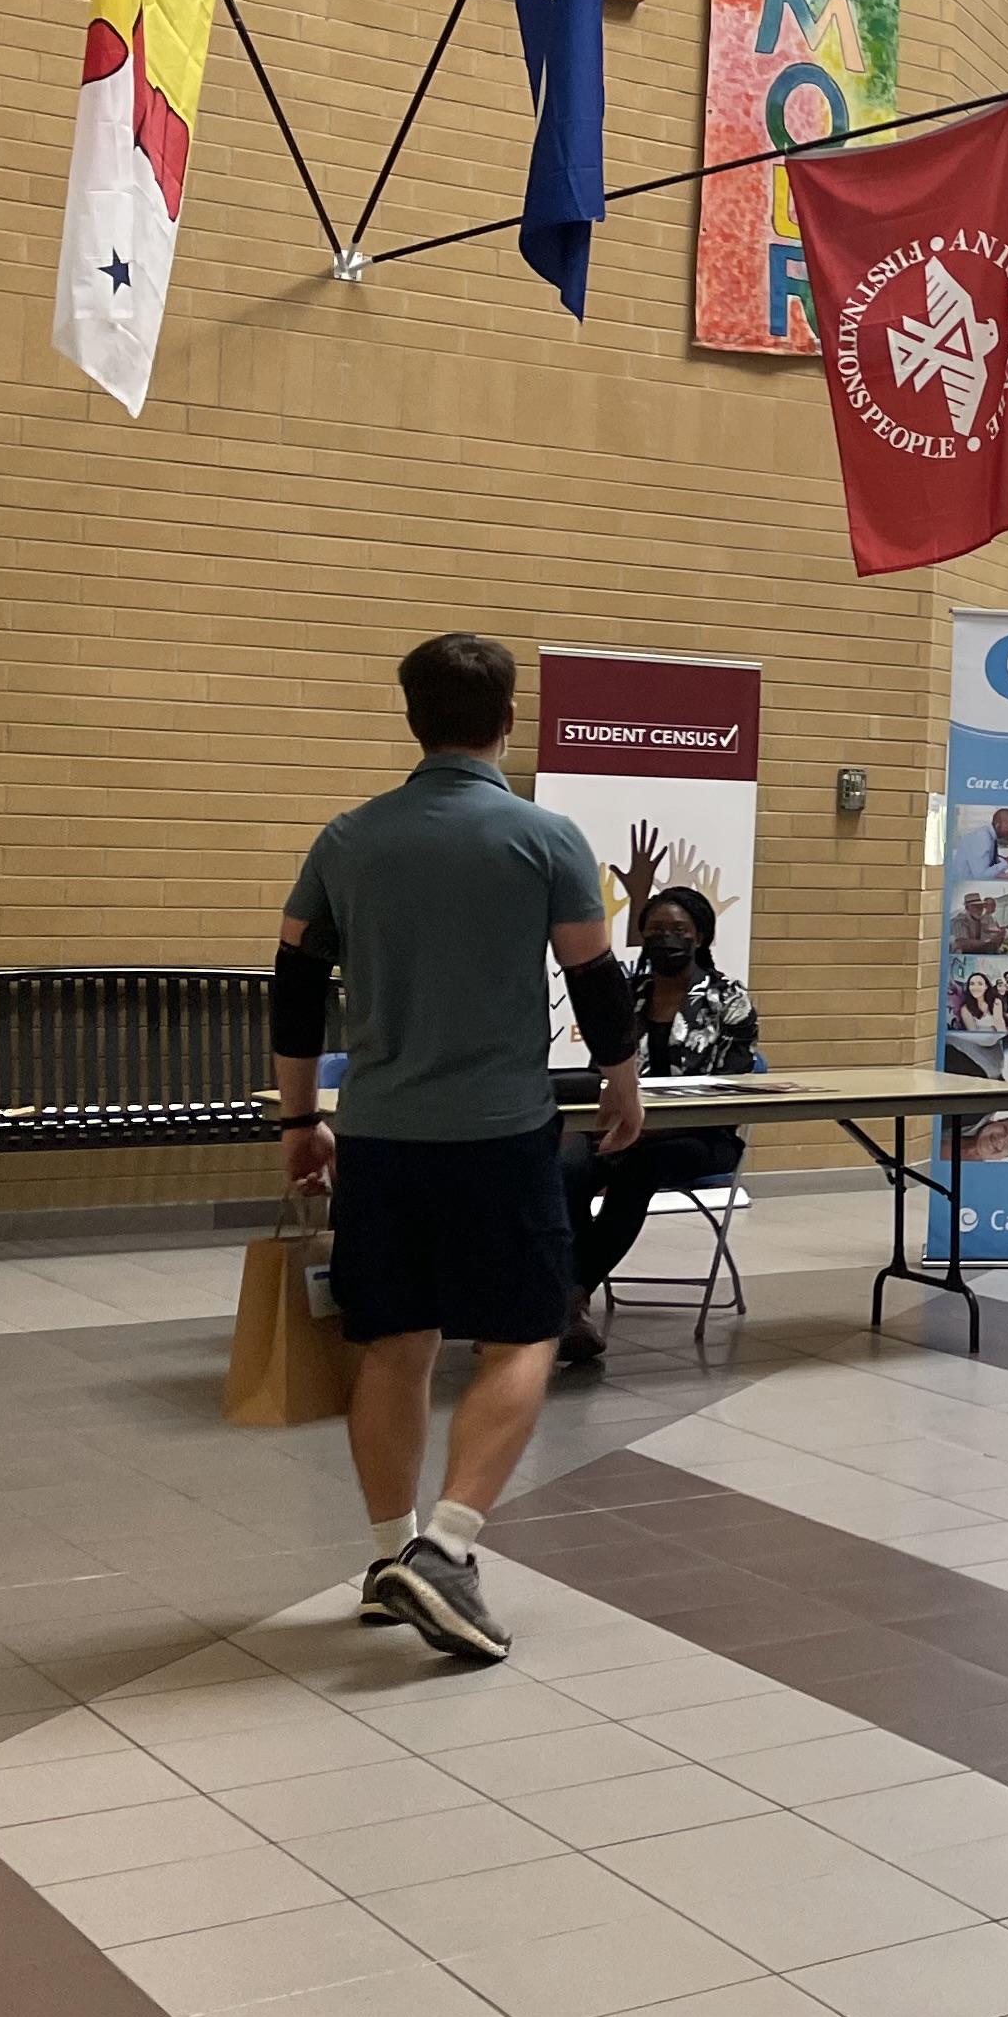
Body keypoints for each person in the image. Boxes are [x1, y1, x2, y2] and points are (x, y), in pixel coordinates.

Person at [275, 633, 640, 1664]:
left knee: (394, 1342)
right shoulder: (545, 837)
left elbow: (296, 989)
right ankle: (447, 1546)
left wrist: (300, 1124)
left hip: (382, 1136)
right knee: (524, 1332)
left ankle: (390, 1560)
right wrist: (623, 1087)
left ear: (411, 720)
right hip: (501, 1133)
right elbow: (593, 982)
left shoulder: (347, 841)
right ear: (508, 720)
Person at [555, 886, 759, 1364]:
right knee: (565, 1163)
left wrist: (652, 1124)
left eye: (679, 931)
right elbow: (603, 1071)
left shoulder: (728, 999)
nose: (666, 939)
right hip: (623, 1126)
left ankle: (568, 1298)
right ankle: (564, 1297)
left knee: (639, 1167)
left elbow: (731, 1085)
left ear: (701, 936)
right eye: (656, 931)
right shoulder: (626, 994)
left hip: (700, 1137)